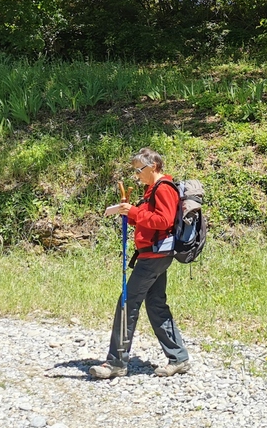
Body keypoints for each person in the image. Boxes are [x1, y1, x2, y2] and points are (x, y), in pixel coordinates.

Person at [89, 148, 191, 379]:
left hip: (154, 257)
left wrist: (134, 212)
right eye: (135, 170)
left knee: (127, 303)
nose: (137, 175)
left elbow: (163, 221)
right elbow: (150, 220)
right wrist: (130, 213)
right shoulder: (151, 190)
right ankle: (179, 358)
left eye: (139, 169)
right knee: (155, 304)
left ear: (153, 166)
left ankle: (116, 362)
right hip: (152, 254)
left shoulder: (164, 188)